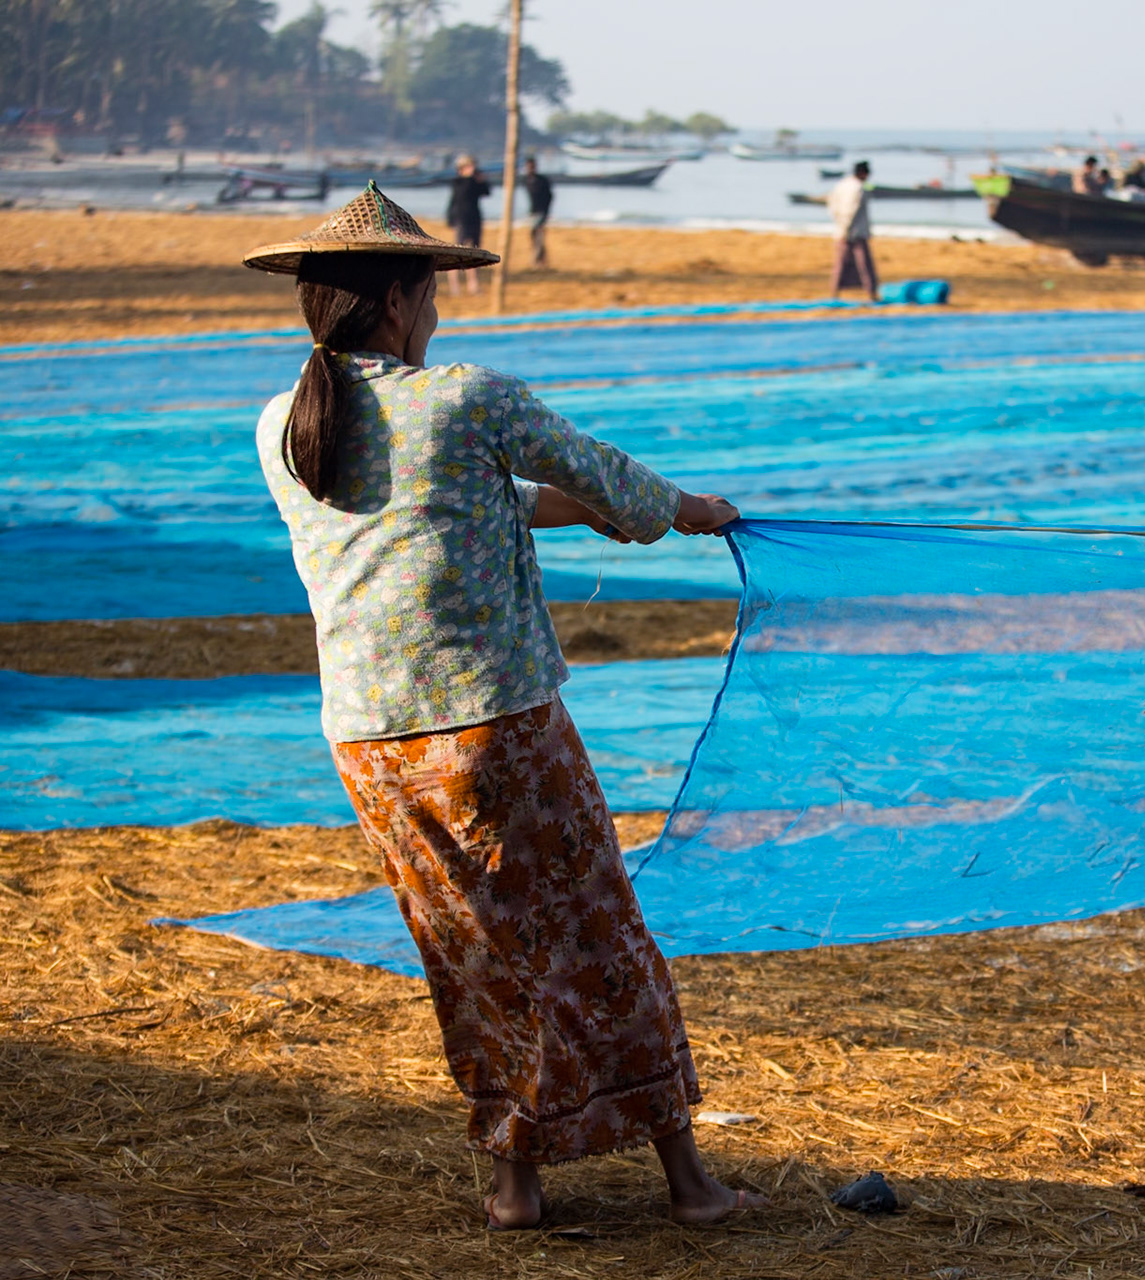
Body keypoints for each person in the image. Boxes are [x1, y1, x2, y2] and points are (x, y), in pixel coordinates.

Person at [240, 183, 767, 1232]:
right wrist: (685, 511)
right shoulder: (468, 397)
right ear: (398, 301)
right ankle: (689, 1183)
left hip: (369, 741)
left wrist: (588, 513)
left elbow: (469, 498)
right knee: (596, 932)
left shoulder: (285, 423)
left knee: (473, 949)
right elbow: (608, 475)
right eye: (430, 296)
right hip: (492, 725)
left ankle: (515, 1185)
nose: (437, 315)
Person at [826, 159, 878, 301]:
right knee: (864, 263)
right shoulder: (858, 188)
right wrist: (846, 229)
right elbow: (851, 210)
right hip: (855, 232)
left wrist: (840, 225)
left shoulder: (841, 185)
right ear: (863, 174)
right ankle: (871, 293)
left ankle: (834, 292)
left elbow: (832, 205)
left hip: (842, 229)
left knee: (840, 263)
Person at [444, 154, 490, 295]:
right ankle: (455, 286)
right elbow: (458, 196)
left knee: (475, 250)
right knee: (458, 251)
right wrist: (450, 219)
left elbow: (486, 192)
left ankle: (473, 285)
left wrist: (481, 180)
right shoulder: (458, 182)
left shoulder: (474, 181)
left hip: (474, 217)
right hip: (461, 218)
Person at [522, 155, 554, 269]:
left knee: (539, 235)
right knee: (534, 236)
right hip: (532, 211)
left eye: (532, 166)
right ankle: (542, 260)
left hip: (541, 211)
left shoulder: (542, 180)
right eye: (528, 167)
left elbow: (550, 196)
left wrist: (546, 211)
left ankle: (536, 261)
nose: (530, 169)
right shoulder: (527, 180)